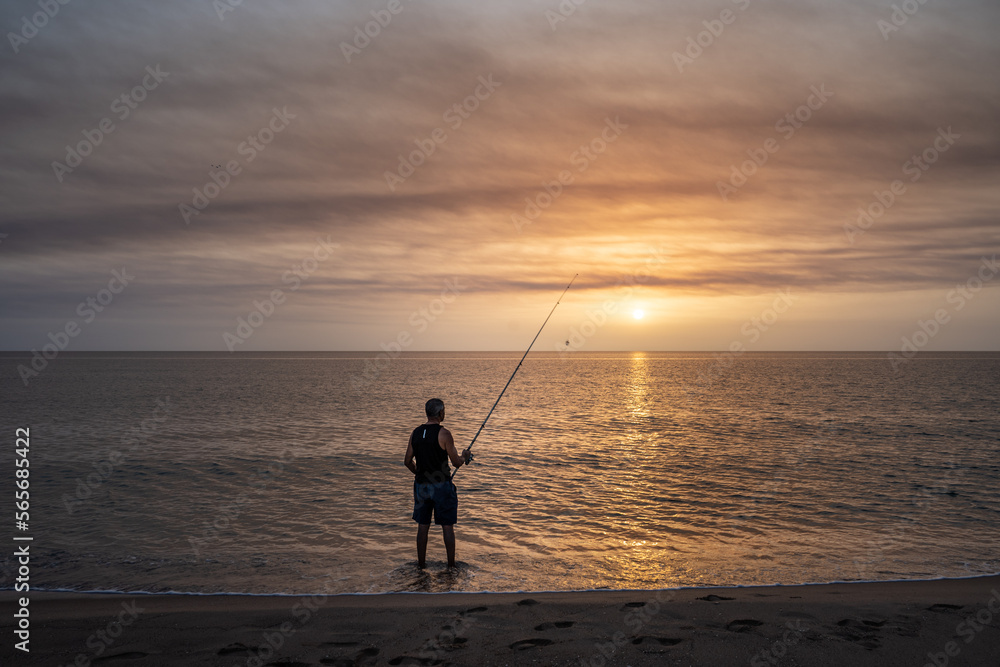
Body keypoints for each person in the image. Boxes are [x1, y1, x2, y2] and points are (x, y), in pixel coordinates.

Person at [404, 398, 472, 568]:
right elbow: (456, 462)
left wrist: (418, 473)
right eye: (444, 410)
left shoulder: (416, 433)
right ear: (440, 413)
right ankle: (451, 566)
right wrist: (465, 456)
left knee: (423, 526)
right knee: (447, 526)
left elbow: (407, 461)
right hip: (442, 487)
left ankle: (421, 566)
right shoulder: (444, 434)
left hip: (421, 486)